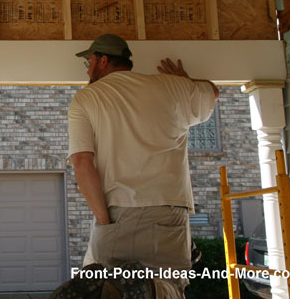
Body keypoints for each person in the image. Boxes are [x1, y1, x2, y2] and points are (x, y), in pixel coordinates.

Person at [67, 34, 219, 298]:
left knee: (108, 287)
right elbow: (213, 92)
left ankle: (151, 289)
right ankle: (156, 287)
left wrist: (104, 220)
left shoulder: (87, 98)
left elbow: (82, 163)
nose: (88, 70)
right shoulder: (172, 87)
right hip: (170, 212)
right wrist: (185, 80)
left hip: (120, 211)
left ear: (103, 61)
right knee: (170, 283)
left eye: (89, 63)